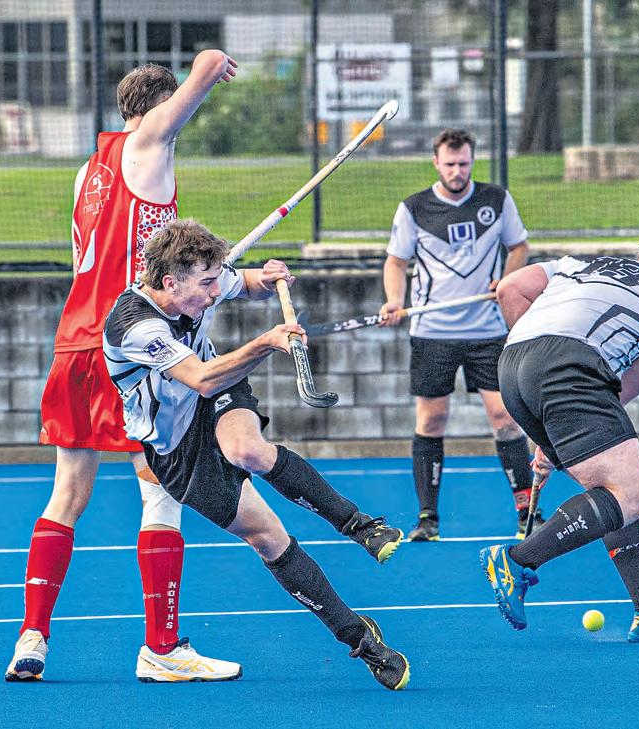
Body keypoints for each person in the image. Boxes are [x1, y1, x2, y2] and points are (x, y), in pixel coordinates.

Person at [6, 51, 243, 683]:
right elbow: (200, 70)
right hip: (129, 348)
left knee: (67, 494)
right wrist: (214, 65)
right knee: (159, 489)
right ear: (157, 108)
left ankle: (32, 637)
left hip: (76, 344)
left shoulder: (88, 171)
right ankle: (161, 648)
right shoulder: (150, 144)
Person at [101, 218, 410, 689]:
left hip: (216, 396)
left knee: (247, 449)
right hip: (176, 446)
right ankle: (360, 638)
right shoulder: (134, 326)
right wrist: (267, 341)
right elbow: (200, 376)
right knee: (268, 539)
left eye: (214, 280)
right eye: (205, 285)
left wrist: (266, 279)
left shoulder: (195, 281)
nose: (213, 294)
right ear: (170, 283)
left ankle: (360, 525)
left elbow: (241, 283)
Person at [480, 233, 639, 642]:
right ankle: (517, 560)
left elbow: (510, 289)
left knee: (610, 493)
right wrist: (563, 391)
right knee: (628, 494)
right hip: (572, 368)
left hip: (513, 366)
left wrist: (552, 429)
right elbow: (619, 390)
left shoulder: (580, 263)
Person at [378, 128, 535, 542]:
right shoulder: (414, 208)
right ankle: (427, 519)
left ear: (472, 161)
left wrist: (506, 279)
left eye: (463, 163)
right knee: (431, 419)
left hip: (488, 329)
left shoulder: (496, 200)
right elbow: (396, 262)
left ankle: (527, 513)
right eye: (449, 164)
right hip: (433, 332)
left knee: (505, 417)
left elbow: (519, 246)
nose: (457, 171)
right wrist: (393, 300)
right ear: (436, 163)